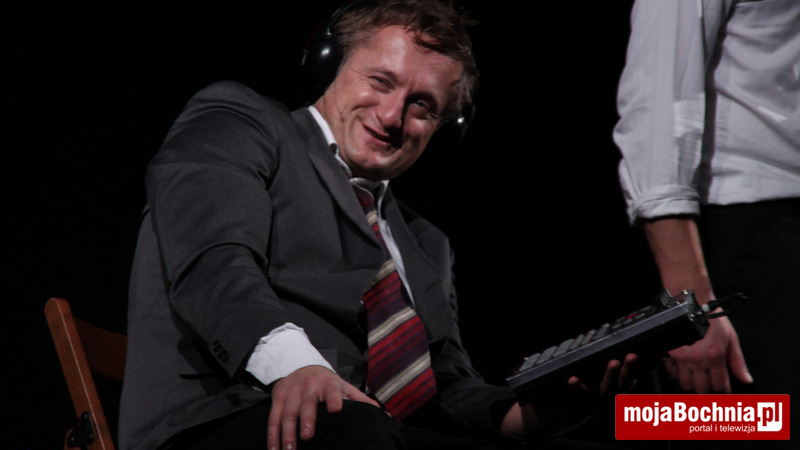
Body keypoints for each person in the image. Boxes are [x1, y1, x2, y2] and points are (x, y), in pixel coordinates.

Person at [120, 1, 639, 448]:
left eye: (421, 106)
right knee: (362, 432)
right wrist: (298, 367)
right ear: (330, 63)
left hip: (371, 433)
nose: (392, 117)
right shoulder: (241, 121)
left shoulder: (427, 243)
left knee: (633, 431)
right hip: (222, 422)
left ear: (444, 130)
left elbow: (447, 389)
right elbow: (215, 266)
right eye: (380, 81)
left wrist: (539, 413)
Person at [614, 0, 799, 404]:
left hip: (766, 235)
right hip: (744, 239)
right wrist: (689, 309)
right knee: (731, 427)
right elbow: (657, 106)